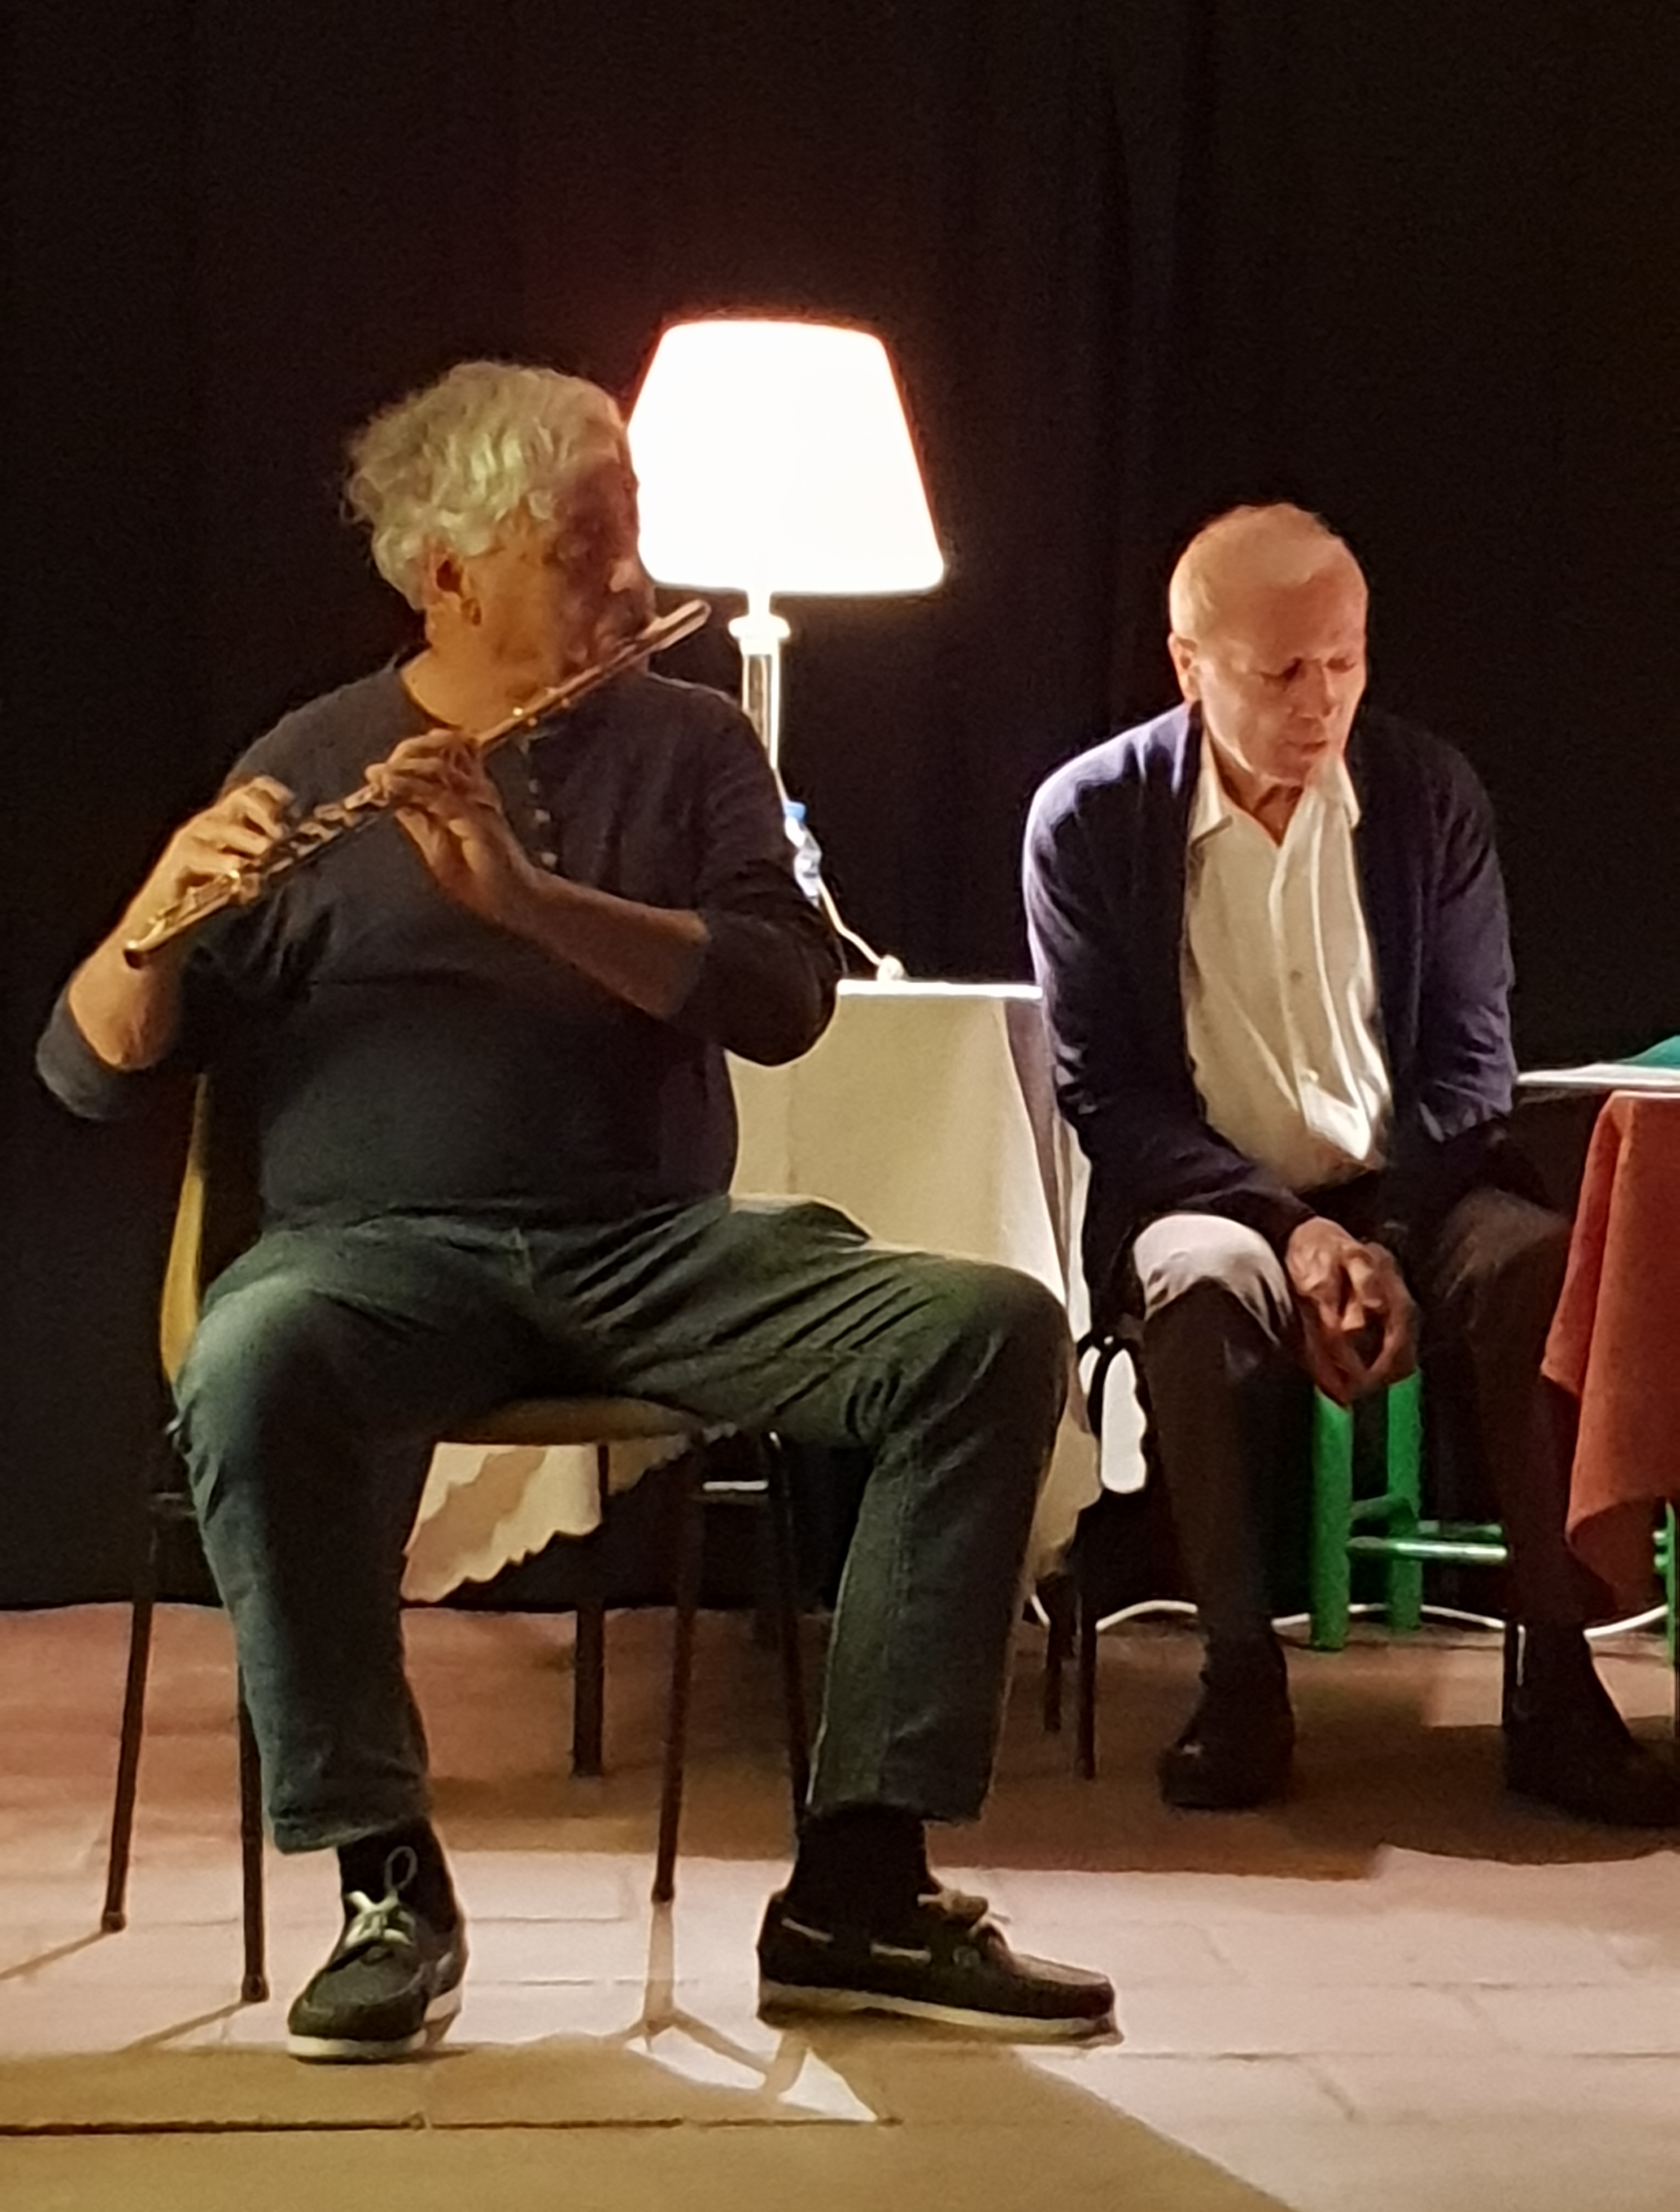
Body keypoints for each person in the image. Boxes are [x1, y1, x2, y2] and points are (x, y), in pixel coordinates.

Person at [39, 360, 1113, 2057]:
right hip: (376, 1265)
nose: (630, 579)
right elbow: (88, 1071)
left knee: (984, 1331)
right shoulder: (310, 762)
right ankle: (387, 1882)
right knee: (249, 1363)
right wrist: (148, 925)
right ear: (447, 575)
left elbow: (782, 995)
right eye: (582, 549)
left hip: (652, 1252)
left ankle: (858, 1886)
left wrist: (534, 903)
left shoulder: (694, 749)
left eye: (628, 535)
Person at [1023, 502, 1677, 1826]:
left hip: (1418, 1184)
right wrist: (1294, 1231)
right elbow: (1108, 1095)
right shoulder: (1089, 819)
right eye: (1281, 672)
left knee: (1540, 1269)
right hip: (1211, 1191)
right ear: (1189, 665)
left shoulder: (1427, 794)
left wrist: (1384, 1239)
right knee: (1199, 1290)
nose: (1320, 701)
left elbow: (1474, 1064)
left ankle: (1558, 1684)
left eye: (1345, 661)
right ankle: (1239, 1678)